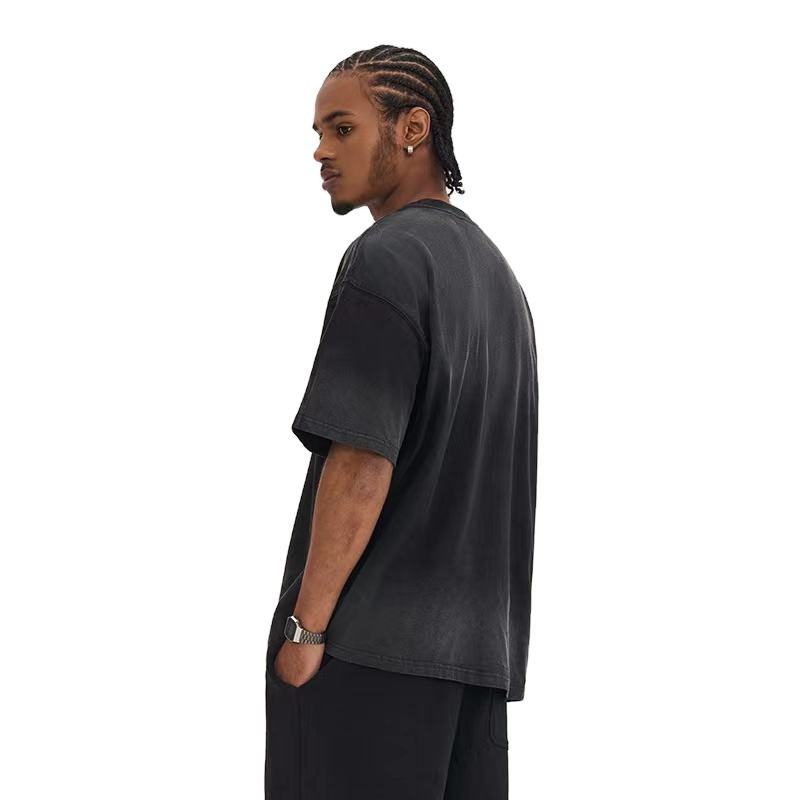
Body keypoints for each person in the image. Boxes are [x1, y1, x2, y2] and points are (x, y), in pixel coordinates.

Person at [265, 44, 538, 800]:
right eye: (319, 132)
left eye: (343, 128)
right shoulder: (502, 285)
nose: (321, 151)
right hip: (474, 669)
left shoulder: (386, 259)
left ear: (413, 128)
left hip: (367, 659)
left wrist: (305, 631)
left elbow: (361, 462)